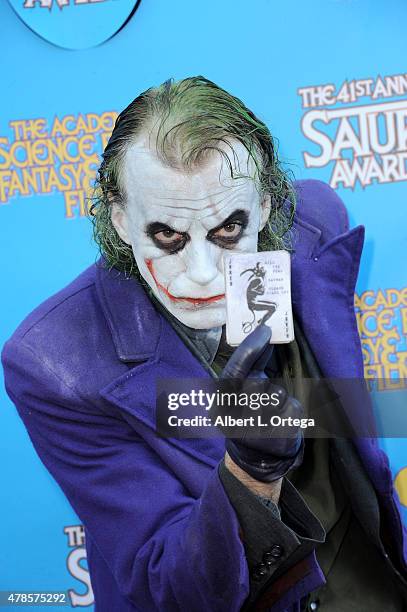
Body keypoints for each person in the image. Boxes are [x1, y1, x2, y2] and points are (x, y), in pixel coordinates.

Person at [2, 76, 407, 612]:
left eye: (228, 230)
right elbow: (168, 586)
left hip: (370, 579)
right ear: (121, 220)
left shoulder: (311, 222)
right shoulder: (54, 362)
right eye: (167, 236)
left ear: (264, 208)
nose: (199, 273)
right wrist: (250, 474)